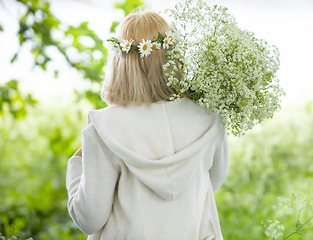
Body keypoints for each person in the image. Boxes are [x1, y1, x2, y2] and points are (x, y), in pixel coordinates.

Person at [66, 11, 229, 240]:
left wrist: (76, 165)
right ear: (173, 55)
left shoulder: (104, 129)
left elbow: (89, 218)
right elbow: (214, 180)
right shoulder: (210, 118)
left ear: (119, 61)